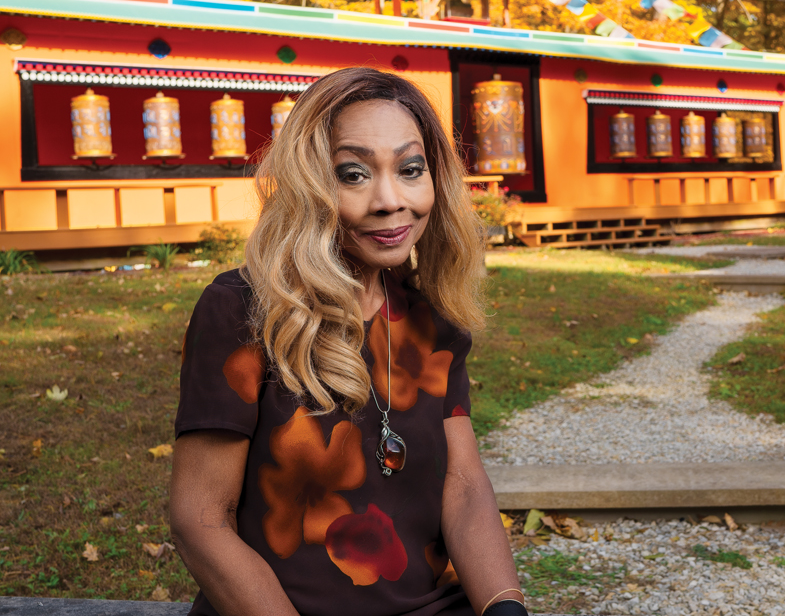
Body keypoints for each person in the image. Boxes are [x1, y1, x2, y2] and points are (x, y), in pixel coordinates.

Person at [170, 67, 526, 616]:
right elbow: (200, 520)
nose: (389, 200)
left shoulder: (433, 318)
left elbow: (463, 485)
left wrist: (505, 607)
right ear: (310, 182)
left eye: (411, 169)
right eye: (353, 174)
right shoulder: (243, 311)